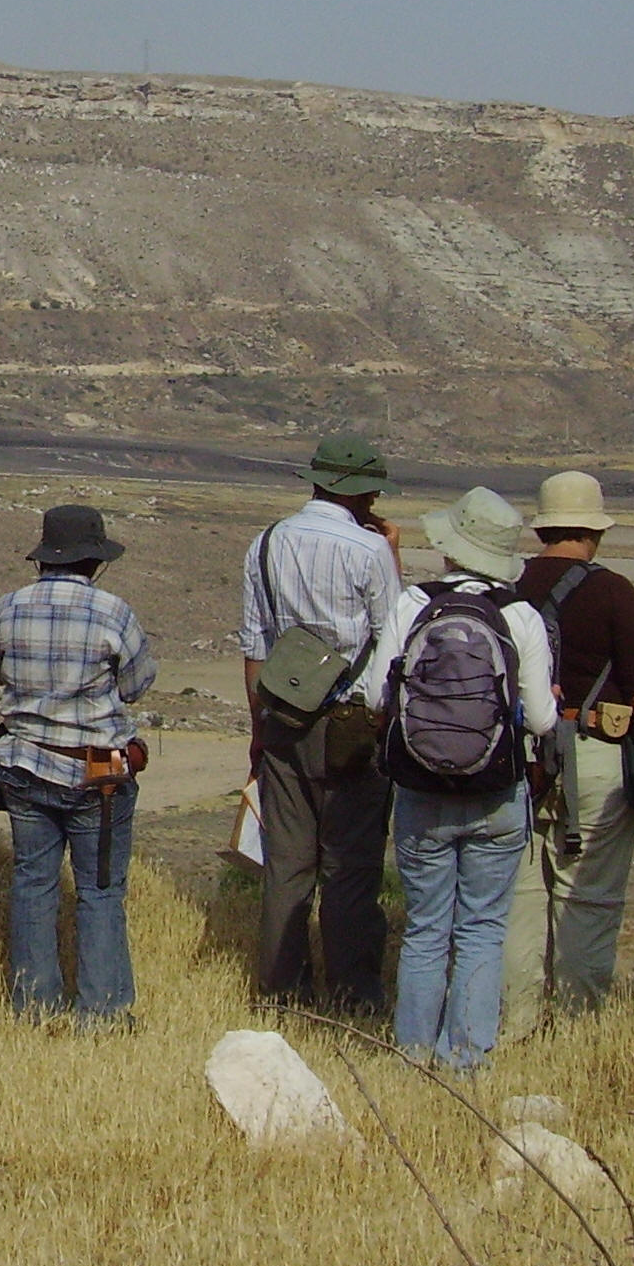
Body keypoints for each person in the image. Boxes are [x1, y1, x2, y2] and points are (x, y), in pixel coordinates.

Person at [361, 488, 557, 1069]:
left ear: (450, 547)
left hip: (421, 788)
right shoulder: (520, 615)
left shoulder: (413, 605)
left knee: (425, 929)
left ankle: (414, 1052)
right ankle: (467, 1057)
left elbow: (376, 695)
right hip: (497, 791)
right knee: (481, 929)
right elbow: (543, 719)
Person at [497, 471, 634, 1041]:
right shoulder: (613, 590)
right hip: (598, 756)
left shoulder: (510, 585)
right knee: (589, 901)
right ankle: (577, 1035)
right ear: (594, 531)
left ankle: (514, 1029)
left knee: (518, 904)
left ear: (543, 528)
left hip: (517, 761)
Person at [0, 506, 156, 1027]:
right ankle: (101, 1013)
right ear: (95, 560)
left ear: (45, 556)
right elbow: (137, 684)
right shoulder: (113, 612)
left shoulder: (7, 607)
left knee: (33, 881)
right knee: (99, 891)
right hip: (95, 772)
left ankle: (34, 1005)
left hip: (25, 763)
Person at [239, 432, 405, 1011]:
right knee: (351, 865)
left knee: (286, 864)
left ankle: (283, 989)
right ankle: (354, 991)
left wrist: (261, 730)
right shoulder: (369, 551)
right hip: (354, 721)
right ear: (362, 493)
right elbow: (394, 637)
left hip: (284, 716)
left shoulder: (265, 544)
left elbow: (255, 645)